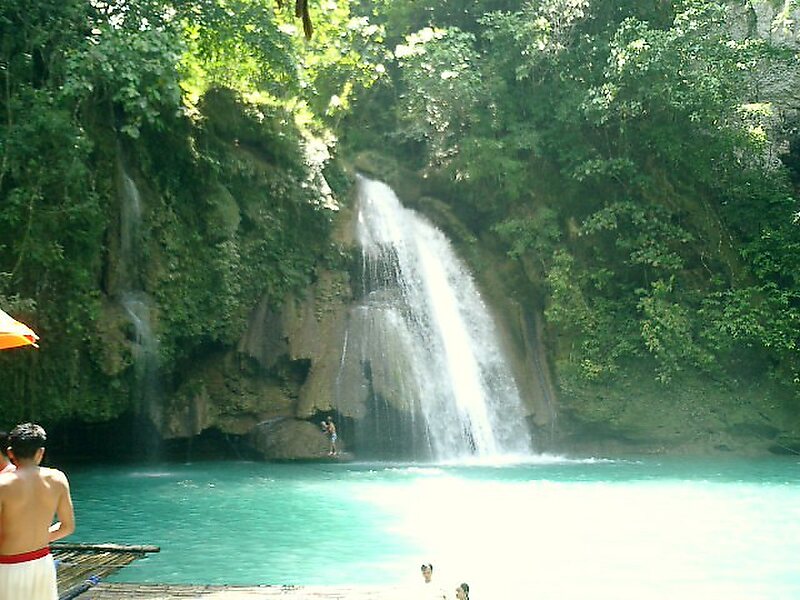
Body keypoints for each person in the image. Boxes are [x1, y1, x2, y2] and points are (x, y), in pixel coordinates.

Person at [0, 422, 75, 600]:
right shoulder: (58, 479)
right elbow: (67, 527)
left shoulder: (2, 485)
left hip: (8, 565)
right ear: (40, 452)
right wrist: (37, 537)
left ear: (10, 453)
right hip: (42, 562)